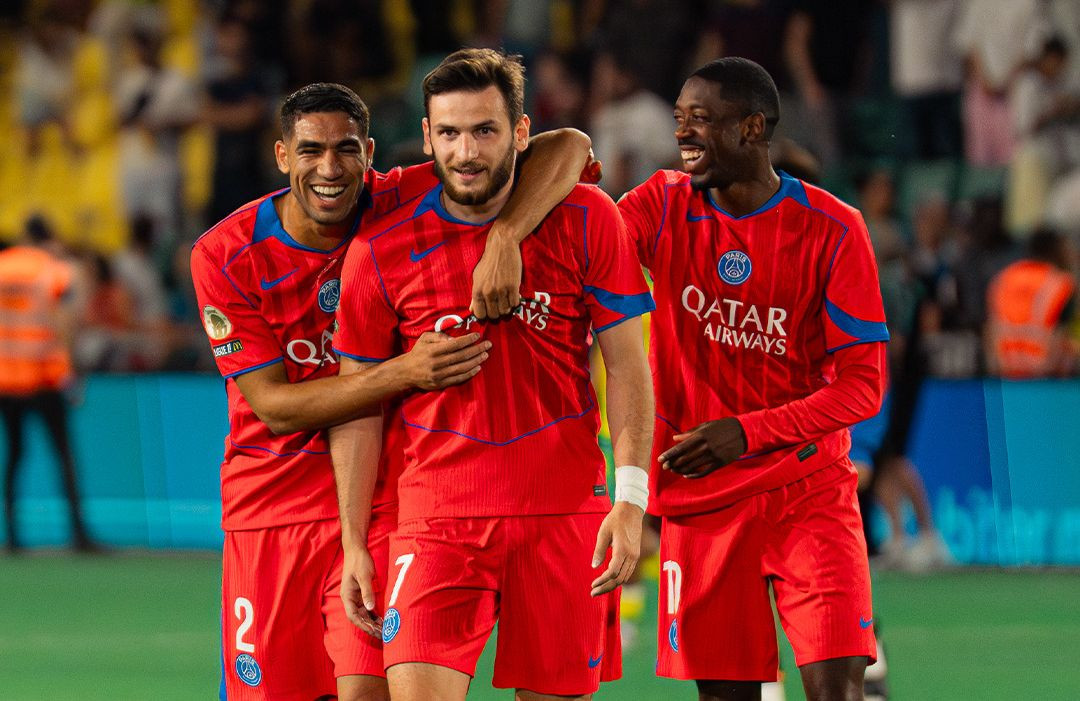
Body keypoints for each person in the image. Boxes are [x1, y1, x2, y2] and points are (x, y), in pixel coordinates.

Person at [190, 82, 591, 701]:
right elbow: (273, 408)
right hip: (272, 509)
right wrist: (405, 371)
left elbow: (569, 146)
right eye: (311, 151)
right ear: (282, 155)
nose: (330, 169)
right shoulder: (225, 254)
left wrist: (506, 235)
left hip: (382, 506)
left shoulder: (399, 199)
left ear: (370, 154)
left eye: (347, 150)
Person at [331, 48, 654, 701]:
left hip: (564, 513)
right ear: (427, 137)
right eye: (449, 133)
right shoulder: (379, 246)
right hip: (436, 518)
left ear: (521, 132)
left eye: (485, 130)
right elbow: (356, 404)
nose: (467, 151)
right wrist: (354, 540)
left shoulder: (588, 217)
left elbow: (628, 367)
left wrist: (631, 499)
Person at [616, 57, 888, 700]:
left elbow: (863, 386)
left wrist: (746, 432)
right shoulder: (661, 204)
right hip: (702, 499)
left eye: (700, 119)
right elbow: (584, 243)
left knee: (839, 693)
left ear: (751, 128)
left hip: (808, 492)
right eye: (679, 118)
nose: (682, 134)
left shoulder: (835, 228)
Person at [0, 216, 94, 553]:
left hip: (7, 378)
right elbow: (66, 319)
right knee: (63, 453)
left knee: (14, 455)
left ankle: (12, 536)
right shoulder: (50, 268)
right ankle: (79, 534)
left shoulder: (3, 267)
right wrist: (69, 371)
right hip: (44, 375)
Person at [985, 227, 1077, 378]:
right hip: (1048, 377)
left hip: (1006, 376)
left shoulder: (1003, 279)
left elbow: (990, 330)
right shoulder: (1061, 284)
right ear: (1055, 251)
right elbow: (1064, 336)